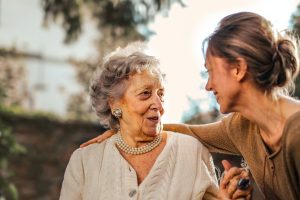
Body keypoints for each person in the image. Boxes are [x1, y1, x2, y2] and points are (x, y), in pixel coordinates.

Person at [81, 12, 300, 200]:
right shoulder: (241, 126)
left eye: (211, 71)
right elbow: (190, 132)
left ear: (238, 69)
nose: (208, 85)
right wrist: (126, 127)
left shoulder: (296, 132)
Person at [60, 43, 251, 200]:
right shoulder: (84, 162)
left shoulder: (191, 152)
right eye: (145, 94)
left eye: (161, 94)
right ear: (114, 104)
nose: (158, 104)